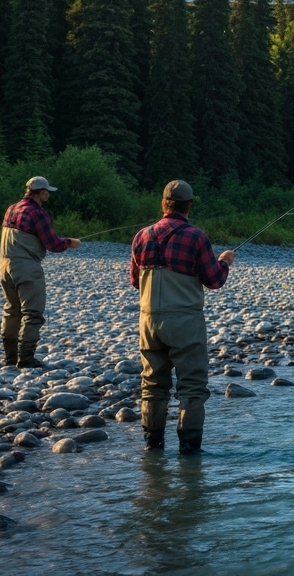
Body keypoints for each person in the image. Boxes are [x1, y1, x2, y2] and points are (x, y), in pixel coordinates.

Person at [129, 180, 235, 455]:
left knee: (153, 385)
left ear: (164, 203)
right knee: (192, 386)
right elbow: (214, 280)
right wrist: (225, 261)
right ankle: (189, 450)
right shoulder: (196, 237)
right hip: (185, 322)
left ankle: (152, 445)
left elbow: (135, 281)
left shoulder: (141, 236)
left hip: (149, 322)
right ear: (189, 205)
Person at [0, 176, 81, 368]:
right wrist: (70, 242)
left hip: (4, 266)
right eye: (47, 192)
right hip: (26, 267)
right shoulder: (37, 213)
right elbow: (52, 244)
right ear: (40, 192)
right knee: (33, 313)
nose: (48, 195)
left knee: (12, 311)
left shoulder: (12, 208)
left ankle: (10, 358)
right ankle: (26, 358)